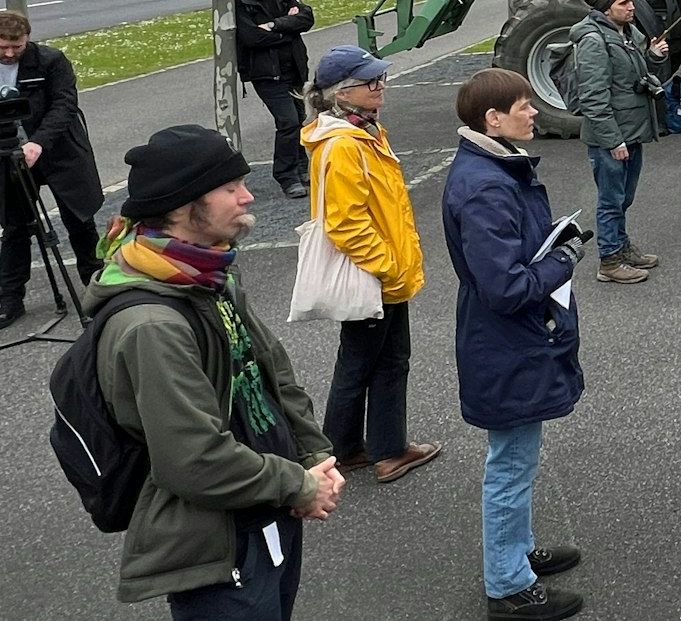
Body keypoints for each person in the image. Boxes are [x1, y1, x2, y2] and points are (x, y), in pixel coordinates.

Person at [86, 125, 343, 619]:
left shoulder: (204, 275)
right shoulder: (152, 325)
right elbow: (193, 459)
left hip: (269, 509)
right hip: (219, 545)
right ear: (184, 207)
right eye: (230, 188)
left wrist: (315, 456)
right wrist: (301, 485)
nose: (248, 196)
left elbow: (271, 374)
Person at [443, 69, 588, 621]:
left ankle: (518, 553)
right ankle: (507, 585)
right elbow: (504, 287)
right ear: (492, 119)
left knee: (518, 456)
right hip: (504, 340)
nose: (534, 113)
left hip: (508, 339)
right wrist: (562, 260)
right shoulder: (485, 184)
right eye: (524, 106)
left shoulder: (495, 168)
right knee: (510, 462)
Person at [302, 44, 439, 486]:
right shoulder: (345, 144)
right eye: (369, 82)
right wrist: (387, 267)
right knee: (388, 360)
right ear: (342, 93)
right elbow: (346, 223)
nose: (380, 87)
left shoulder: (364, 132)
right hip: (375, 275)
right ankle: (388, 451)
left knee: (359, 360)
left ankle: (343, 447)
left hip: (379, 272)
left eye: (381, 78)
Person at [0, 10, 103, 328]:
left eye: (15, 46)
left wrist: (38, 142)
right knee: (14, 228)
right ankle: (9, 299)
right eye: (2, 46)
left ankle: (98, 292)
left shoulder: (51, 61)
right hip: (9, 156)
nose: (8, 53)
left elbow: (64, 104)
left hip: (59, 152)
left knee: (80, 222)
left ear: (27, 38)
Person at [569, 0, 669, 283]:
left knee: (624, 197)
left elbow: (634, 76)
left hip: (632, 131)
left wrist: (652, 56)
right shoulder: (593, 41)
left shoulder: (624, 33)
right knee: (611, 199)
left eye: (630, 2)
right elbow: (593, 97)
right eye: (624, 3)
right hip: (613, 138)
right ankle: (609, 260)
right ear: (605, 8)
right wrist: (613, 140)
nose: (631, 7)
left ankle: (621, 247)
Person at [233, 0, 315, 199]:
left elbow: (307, 18)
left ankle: (302, 169)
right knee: (288, 121)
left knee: (301, 120)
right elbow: (252, 38)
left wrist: (274, 25)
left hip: (295, 70)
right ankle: (286, 176)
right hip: (267, 73)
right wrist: (289, 31)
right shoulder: (240, 3)